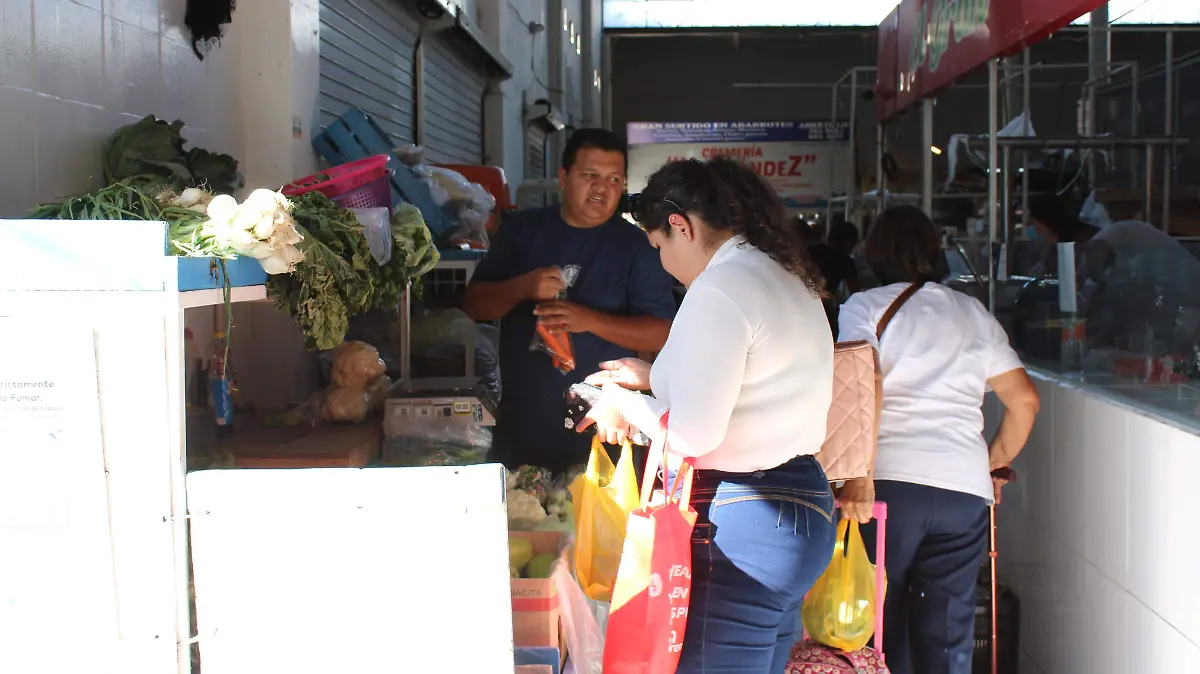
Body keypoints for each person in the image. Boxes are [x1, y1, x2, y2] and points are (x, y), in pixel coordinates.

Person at [578, 157, 838, 674]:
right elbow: (752, 380)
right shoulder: (783, 276)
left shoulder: (720, 288)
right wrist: (651, 378)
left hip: (745, 518)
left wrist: (621, 405)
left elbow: (694, 432)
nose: (662, 262)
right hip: (801, 505)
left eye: (658, 247)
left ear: (682, 226)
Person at [837, 205, 1041, 674]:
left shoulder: (865, 307)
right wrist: (991, 466)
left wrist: (860, 478)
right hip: (962, 495)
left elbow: (863, 386)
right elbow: (1024, 401)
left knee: (871, 628)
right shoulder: (973, 313)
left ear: (875, 251)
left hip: (886, 490)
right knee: (947, 637)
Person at [462, 128, 676, 473]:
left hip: (606, 428)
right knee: (523, 521)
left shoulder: (639, 247)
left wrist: (588, 320)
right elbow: (474, 305)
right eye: (590, 175)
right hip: (523, 427)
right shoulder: (522, 230)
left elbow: (661, 334)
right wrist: (521, 287)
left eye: (614, 179)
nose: (602, 188)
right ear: (564, 177)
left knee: (600, 523)